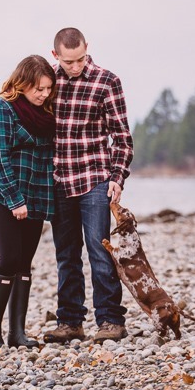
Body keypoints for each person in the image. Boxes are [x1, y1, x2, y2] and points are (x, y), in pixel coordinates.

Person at [44, 27, 134, 345]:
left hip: (95, 178)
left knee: (99, 251)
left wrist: (117, 178)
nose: (76, 66)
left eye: (80, 58)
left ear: (87, 49)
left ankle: (110, 320)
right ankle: (70, 322)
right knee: (66, 255)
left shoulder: (106, 81)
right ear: (56, 55)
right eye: (69, 61)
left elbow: (122, 138)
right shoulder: (47, 81)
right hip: (58, 181)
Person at [0, 55, 57, 350]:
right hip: (2, 195)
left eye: (48, 88)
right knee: (9, 258)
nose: (43, 94)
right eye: (38, 88)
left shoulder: (46, 115)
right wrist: (14, 200)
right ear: (22, 83)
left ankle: (18, 334)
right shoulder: (2, 109)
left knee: (25, 263)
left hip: (36, 193)